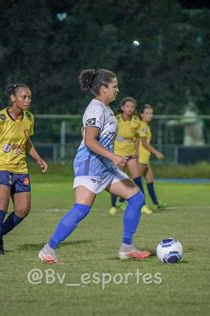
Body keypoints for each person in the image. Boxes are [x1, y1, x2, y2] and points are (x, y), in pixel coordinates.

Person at [38, 69, 150, 263]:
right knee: (81, 209)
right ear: (103, 88)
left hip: (104, 166)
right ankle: (48, 249)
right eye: (114, 86)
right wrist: (113, 157)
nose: (117, 90)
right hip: (89, 164)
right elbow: (89, 141)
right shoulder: (96, 108)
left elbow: (87, 132)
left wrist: (115, 156)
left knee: (137, 198)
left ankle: (126, 247)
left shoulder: (105, 109)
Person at [0, 83, 48, 255]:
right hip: (1, 166)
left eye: (29, 97)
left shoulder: (29, 117)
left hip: (20, 169)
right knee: (1, 205)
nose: (27, 100)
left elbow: (26, 141)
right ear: (13, 98)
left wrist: (38, 158)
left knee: (23, 210)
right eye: (23, 97)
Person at [108, 97, 146, 215]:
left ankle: (142, 205)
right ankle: (114, 206)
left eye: (132, 107)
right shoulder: (116, 119)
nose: (130, 109)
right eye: (127, 106)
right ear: (122, 107)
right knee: (116, 178)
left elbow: (139, 138)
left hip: (131, 154)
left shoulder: (136, 120)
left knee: (137, 178)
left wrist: (137, 151)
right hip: (118, 154)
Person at [137, 104, 167, 210]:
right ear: (141, 114)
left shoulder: (145, 125)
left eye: (151, 113)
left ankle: (156, 203)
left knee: (149, 179)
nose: (150, 115)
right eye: (147, 113)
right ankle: (122, 200)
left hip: (145, 157)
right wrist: (156, 152)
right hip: (141, 156)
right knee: (135, 181)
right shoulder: (143, 125)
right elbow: (143, 142)